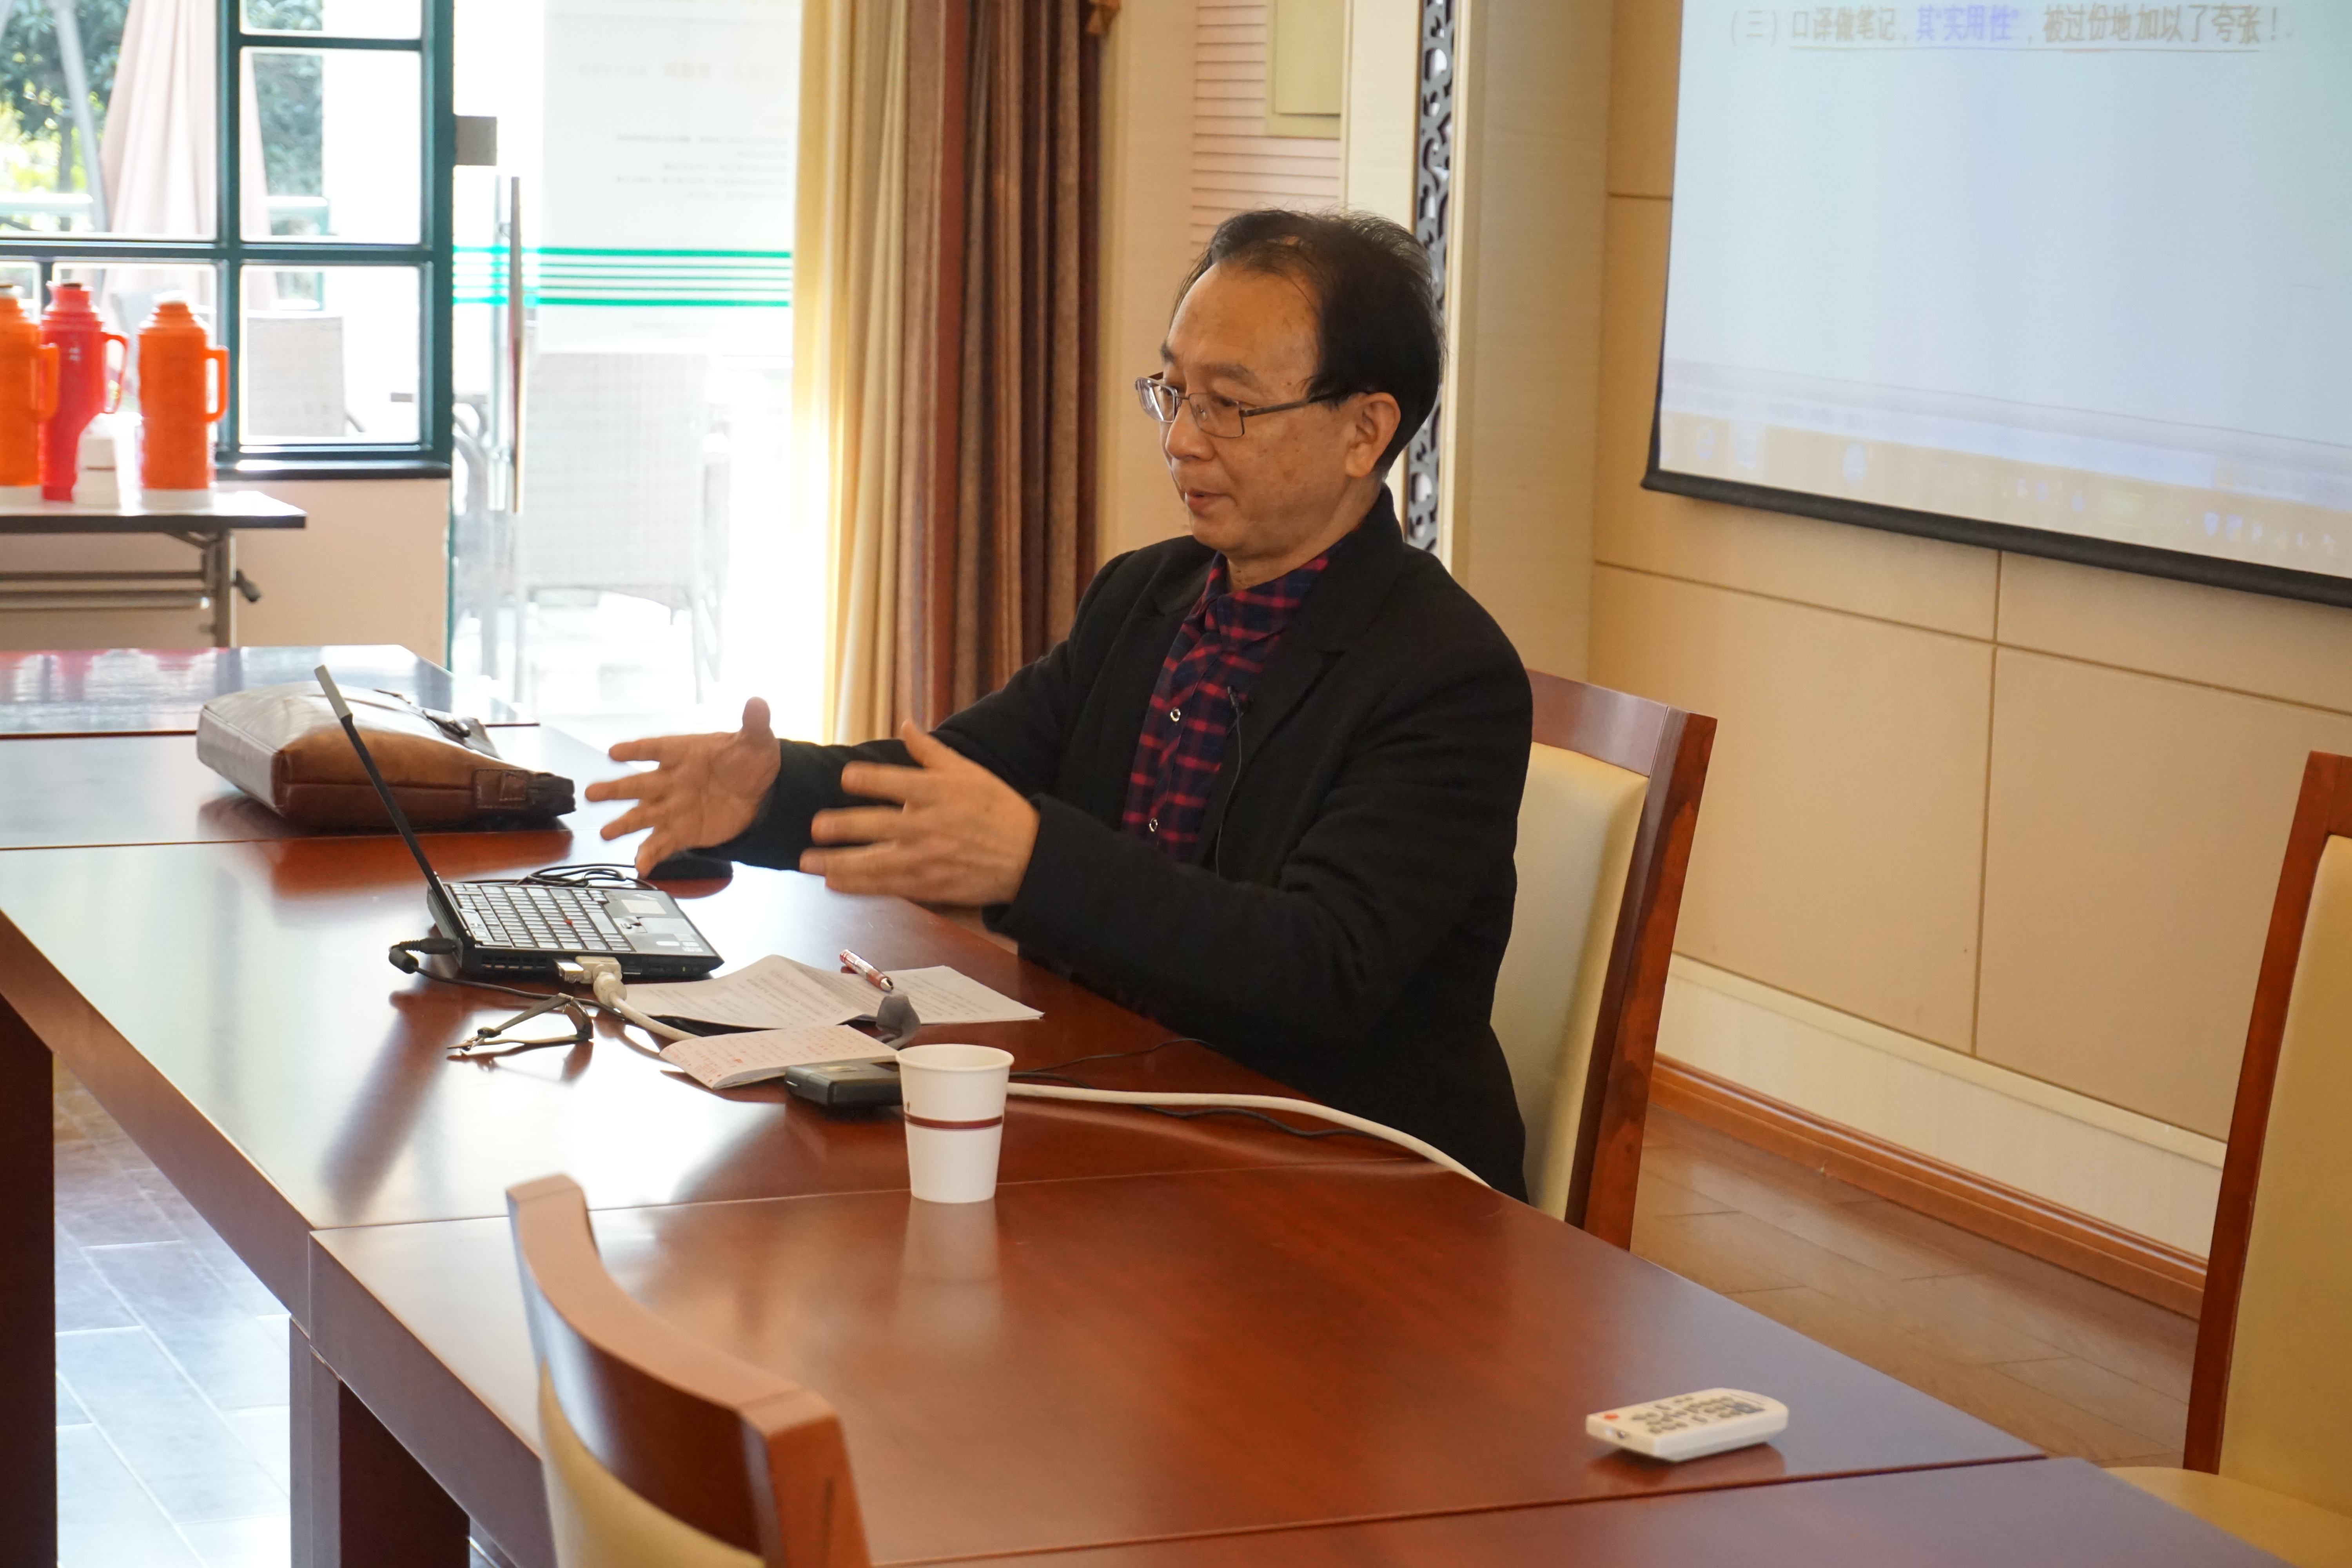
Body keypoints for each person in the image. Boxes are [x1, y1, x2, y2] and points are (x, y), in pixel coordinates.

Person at [587, 209, 1535, 1194]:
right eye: (1172, 391)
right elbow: (960, 775)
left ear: (1365, 431)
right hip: (1121, 1112)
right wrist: (773, 791)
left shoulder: (1446, 673)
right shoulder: (1146, 596)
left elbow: (1321, 968)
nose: (1181, 440)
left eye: (1229, 406)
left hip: (1340, 1175)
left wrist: (1035, 857)